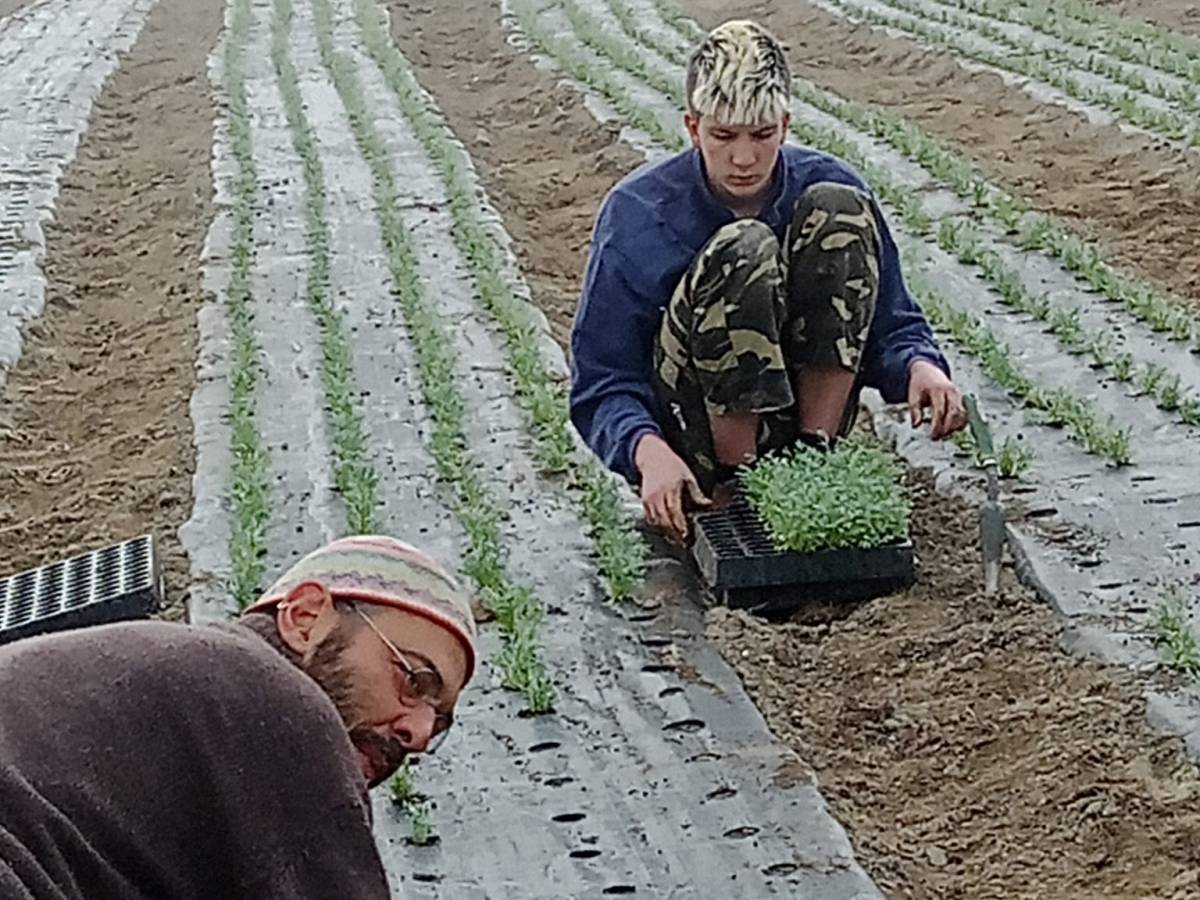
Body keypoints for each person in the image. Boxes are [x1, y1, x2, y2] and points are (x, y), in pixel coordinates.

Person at [569, 19, 966, 543]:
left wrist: (923, 369)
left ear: (785, 124)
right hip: (696, 427)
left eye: (761, 135)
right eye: (723, 135)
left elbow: (893, 322)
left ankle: (813, 458)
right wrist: (647, 451)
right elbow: (602, 379)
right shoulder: (638, 213)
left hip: (799, 411)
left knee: (839, 210)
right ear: (693, 128)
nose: (743, 158)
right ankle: (735, 486)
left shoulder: (830, 183)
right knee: (745, 245)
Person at [0, 535, 477, 899]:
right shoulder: (277, 702)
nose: (417, 733)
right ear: (305, 617)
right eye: (414, 680)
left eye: (439, 722)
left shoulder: (192, 693)